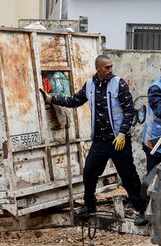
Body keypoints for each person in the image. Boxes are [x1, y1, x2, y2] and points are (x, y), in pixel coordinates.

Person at [44, 55, 150, 223]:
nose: (110, 70)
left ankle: (142, 210)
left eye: (111, 67)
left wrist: (122, 133)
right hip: (101, 140)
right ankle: (89, 205)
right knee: (89, 172)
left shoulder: (119, 84)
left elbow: (129, 110)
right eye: (106, 67)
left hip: (118, 140)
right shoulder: (90, 85)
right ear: (98, 69)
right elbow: (75, 100)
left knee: (128, 175)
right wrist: (53, 98)